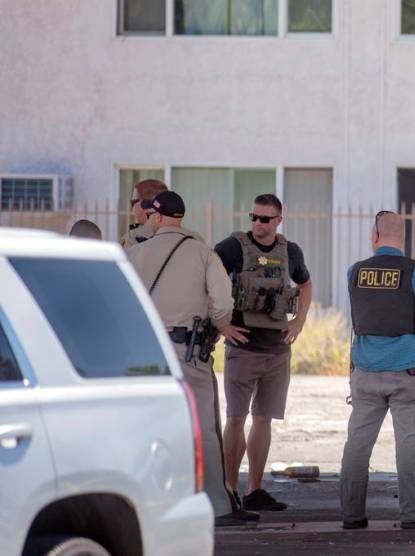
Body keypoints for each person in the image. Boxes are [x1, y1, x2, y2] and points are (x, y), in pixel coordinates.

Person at [126, 190, 257, 528]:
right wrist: (218, 324)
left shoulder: (134, 253)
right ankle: (218, 506)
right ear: (180, 217)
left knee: (148, 431)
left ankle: (146, 507)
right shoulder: (202, 252)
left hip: (146, 357)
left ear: (156, 217)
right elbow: (222, 303)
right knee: (204, 430)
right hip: (189, 353)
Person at [340, 210, 415, 530]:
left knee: (358, 444)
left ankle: (352, 515)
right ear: (404, 239)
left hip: (365, 372)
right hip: (409, 373)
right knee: (410, 445)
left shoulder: (354, 271)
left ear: (374, 236)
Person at [214, 193, 313, 512]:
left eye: (265, 218)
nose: (258, 223)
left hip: (276, 348)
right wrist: (222, 325)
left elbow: (306, 283)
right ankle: (230, 490)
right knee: (234, 419)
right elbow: (208, 278)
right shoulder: (232, 247)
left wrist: (299, 320)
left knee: (263, 418)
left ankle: (254, 489)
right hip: (242, 347)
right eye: (253, 217)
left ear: (278, 220)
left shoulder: (290, 251)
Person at [121, 178, 168, 248]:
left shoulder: (133, 238)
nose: (133, 208)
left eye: (133, 202)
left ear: (145, 204)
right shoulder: (180, 235)